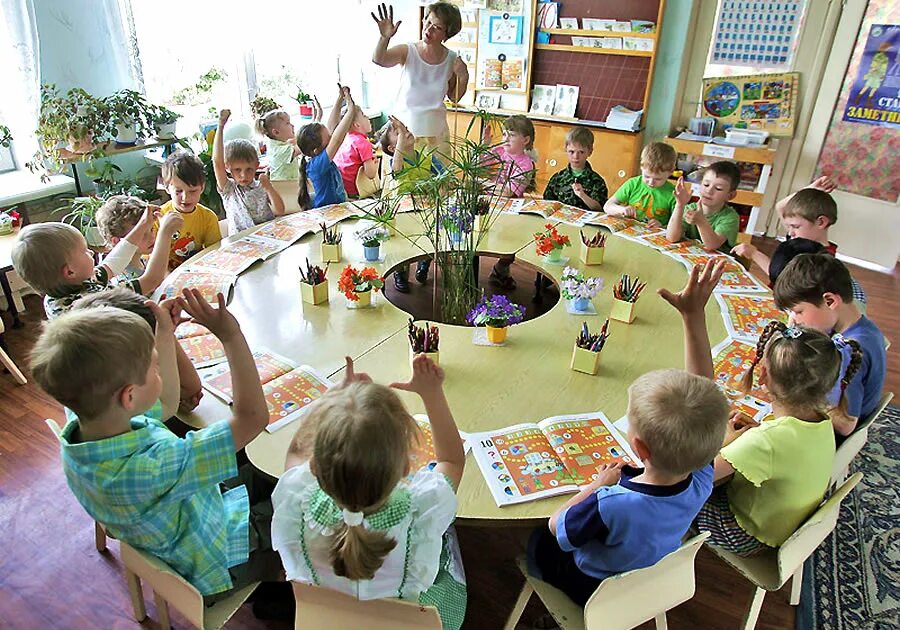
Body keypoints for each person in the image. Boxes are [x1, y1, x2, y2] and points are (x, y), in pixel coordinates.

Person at [30, 288, 287, 615]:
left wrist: (164, 336)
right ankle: (278, 587)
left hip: (185, 527)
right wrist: (231, 335)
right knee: (305, 508)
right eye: (154, 367)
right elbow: (253, 418)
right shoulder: (156, 466)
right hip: (217, 563)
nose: (161, 373)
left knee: (265, 471)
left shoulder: (87, 425)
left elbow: (163, 404)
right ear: (130, 396)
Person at [527, 260, 730, 606]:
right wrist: (692, 316)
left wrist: (598, 484)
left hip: (592, 590)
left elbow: (556, 526)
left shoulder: (612, 503)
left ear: (639, 447)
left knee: (536, 541)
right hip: (646, 579)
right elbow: (704, 391)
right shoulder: (700, 478)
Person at [271, 354, 467, 630]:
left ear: (314, 466)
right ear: (404, 468)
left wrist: (331, 400)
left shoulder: (296, 499)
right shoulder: (422, 509)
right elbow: (452, 461)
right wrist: (431, 393)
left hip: (328, 623)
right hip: (406, 625)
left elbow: (294, 453)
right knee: (449, 538)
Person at [696, 320, 861, 556]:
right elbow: (781, 448)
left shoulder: (765, 442)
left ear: (762, 375)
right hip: (783, 525)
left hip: (744, 534)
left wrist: (725, 442)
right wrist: (753, 433)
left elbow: (697, 478)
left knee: (673, 488)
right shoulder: (822, 420)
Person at [773, 253, 885, 437]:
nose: (793, 321)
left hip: (829, 437)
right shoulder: (865, 327)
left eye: (798, 311)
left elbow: (845, 423)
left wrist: (792, 402)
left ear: (830, 301)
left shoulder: (847, 350)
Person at [11, 207, 163, 320]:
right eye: (84, 250)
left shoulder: (72, 284)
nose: (91, 252)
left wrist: (143, 224)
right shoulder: (88, 303)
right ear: (70, 271)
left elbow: (113, 262)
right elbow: (151, 280)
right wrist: (165, 234)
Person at [71, 287, 204, 413]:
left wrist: (161, 327)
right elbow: (187, 391)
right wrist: (165, 332)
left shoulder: (86, 397)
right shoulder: (133, 412)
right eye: (155, 361)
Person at [372, 2, 468, 159]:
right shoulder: (408, 50)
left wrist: (464, 77)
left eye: (437, 27)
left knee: (438, 181)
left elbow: (454, 97)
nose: (429, 30)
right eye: (428, 22)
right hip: (405, 133)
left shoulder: (452, 59)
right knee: (406, 181)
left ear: (447, 34)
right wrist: (384, 38)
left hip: (436, 134)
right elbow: (379, 59)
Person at [731, 176, 837, 276]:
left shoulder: (823, 258)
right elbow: (780, 206)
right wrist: (810, 189)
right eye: (789, 226)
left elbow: (782, 277)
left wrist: (754, 253)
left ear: (821, 222)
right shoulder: (800, 236)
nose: (790, 232)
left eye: (796, 226)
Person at [380, 116, 439, 293]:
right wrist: (400, 142)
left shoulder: (427, 157)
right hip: (402, 212)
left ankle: (423, 266)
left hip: (426, 210)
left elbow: (444, 175)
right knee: (401, 244)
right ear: (392, 148)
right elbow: (397, 169)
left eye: (405, 128)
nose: (405, 132)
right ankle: (401, 273)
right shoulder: (396, 161)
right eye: (398, 133)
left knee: (428, 238)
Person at [213, 109, 284, 234]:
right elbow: (217, 162)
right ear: (227, 167)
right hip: (240, 245)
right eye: (237, 170)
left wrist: (269, 188)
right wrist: (220, 126)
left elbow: (280, 211)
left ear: (256, 166)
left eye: (249, 169)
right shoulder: (229, 189)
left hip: (267, 239)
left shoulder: (261, 186)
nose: (243, 175)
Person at [95, 195, 183, 291]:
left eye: (152, 229)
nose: (152, 237)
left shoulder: (143, 259)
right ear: (116, 241)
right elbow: (152, 281)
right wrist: (165, 233)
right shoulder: (121, 279)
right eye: (142, 234)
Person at [158, 151, 222, 270]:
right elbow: (150, 259)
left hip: (196, 271)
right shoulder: (158, 216)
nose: (185, 198)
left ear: (202, 187)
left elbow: (214, 254)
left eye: (192, 191)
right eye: (178, 191)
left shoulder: (208, 218)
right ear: (167, 187)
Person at [296, 85, 356, 210]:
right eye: (328, 137)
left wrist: (340, 98)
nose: (331, 136)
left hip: (337, 208)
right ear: (316, 150)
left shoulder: (318, 155)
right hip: (327, 212)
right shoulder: (317, 165)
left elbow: (332, 126)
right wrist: (350, 110)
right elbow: (337, 140)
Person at [256, 102, 321, 214]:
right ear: (276, 132)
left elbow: (301, 138)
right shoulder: (279, 151)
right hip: (286, 192)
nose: (292, 126)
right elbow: (306, 143)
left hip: (290, 187)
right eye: (288, 123)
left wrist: (316, 120)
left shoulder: (278, 143)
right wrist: (317, 124)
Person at [666, 161, 741, 251]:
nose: (709, 191)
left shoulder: (730, 217)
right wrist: (680, 205)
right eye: (706, 185)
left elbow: (712, 245)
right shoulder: (690, 208)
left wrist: (701, 222)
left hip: (717, 262)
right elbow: (672, 237)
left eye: (718, 188)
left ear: (730, 195)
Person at [604, 142, 677, 228]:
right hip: (628, 230)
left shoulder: (673, 193)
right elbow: (607, 206)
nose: (651, 182)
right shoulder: (633, 184)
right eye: (646, 176)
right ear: (641, 167)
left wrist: (662, 226)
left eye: (658, 179)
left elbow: (678, 226)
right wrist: (622, 209)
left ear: (671, 172)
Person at [542, 127, 608, 212]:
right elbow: (547, 203)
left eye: (581, 152)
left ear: (590, 152)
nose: (576, 157)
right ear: (566, 149)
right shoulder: (558, 178)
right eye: (571, 152)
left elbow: (599, 208)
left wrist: (582, 195)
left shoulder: (596, 181)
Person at [482, 115, 537, 198]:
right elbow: (478, 167)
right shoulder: (498, 151)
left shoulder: (526, 164)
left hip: (506, 205)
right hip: (486, 199)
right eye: (504, 134)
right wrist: (484, 146)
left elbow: (507, 192)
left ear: (526, 140)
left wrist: (482, 184)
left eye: (512, 135)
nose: (506, 139)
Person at [335, 104, 379, 199]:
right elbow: (371, 174)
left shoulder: (345, 139)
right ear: (357, 125)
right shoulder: (363, 143)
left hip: (341, 188)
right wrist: (375, 163)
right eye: (363, 115)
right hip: (356, 192)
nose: (367, 117)